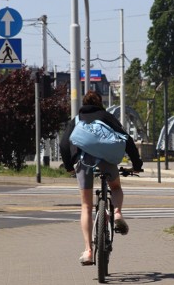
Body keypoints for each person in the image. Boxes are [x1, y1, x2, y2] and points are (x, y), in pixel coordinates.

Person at [60, 91, 143, 266]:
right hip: (106, 159)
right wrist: (137, 164)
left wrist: (69, 166)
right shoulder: (106, 117)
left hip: (83, 161)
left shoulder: (76, 119)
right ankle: (118, 213)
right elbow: (126, 139)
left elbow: (63, 144)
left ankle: (88, 251)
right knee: (115, 188)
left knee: (86, 205)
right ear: (100, 103)